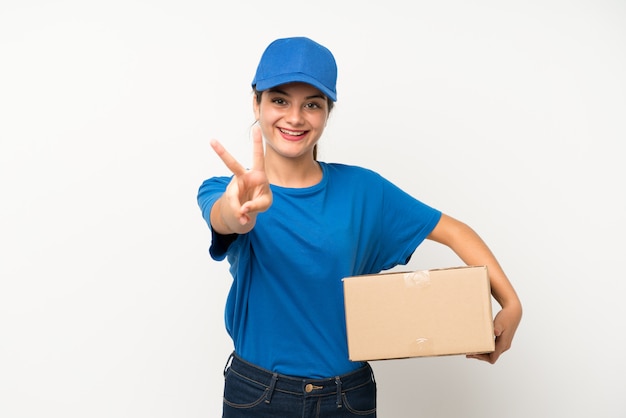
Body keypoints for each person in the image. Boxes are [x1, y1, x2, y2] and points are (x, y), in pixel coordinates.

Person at [197, 36, 522, 418]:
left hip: (346, 398)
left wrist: (511, 302)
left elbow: (455, 231)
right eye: (280, 100)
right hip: (258, 395)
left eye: (312, 104)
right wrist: (237, 212)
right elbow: (224, 216)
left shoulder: (363, 190)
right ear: (257, 102)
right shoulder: (227, 190)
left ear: (327, 112)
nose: (295, 117)